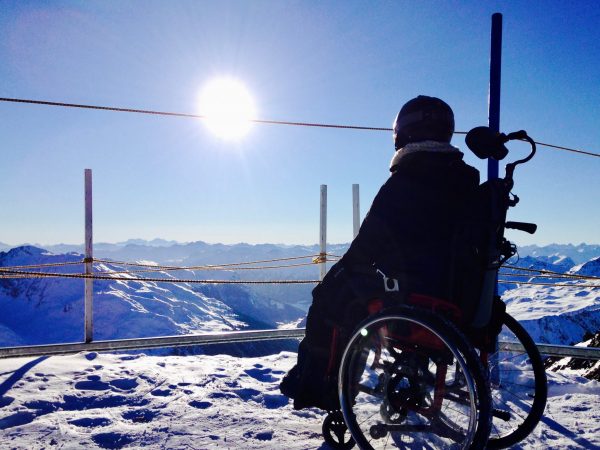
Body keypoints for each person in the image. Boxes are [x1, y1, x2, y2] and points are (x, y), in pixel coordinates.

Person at [280, 95, 480, 411]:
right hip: (458, 297)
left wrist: (343, 272)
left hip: (410, 293)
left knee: (329, 299)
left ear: (403, 132)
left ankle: (321, 385)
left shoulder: (405, 181)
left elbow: (368, 243)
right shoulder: (467, 182)